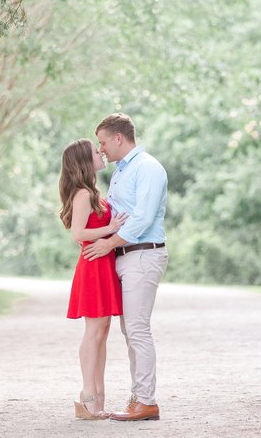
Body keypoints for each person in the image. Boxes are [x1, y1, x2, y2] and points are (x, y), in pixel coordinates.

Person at [83, 113, 168, 422]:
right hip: (125, 256)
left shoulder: (147, 168)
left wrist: (108, 243)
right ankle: (139, 397)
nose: (101, 148)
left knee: (137, 328)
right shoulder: (122, 171)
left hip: (143, 254)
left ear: (119, 138)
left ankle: (146, 401)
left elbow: (143, 218)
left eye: (103, 142)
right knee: (129, 329)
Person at [60, 138, 128, 421]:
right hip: (93, 266)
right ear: (84, 162)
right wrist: (110, 229)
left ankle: (98, 396)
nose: (101, 153)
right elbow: (77, 233)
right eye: (94, 151)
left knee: (102, 331)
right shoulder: (83, 195)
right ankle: (88, 396)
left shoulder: (93, 192)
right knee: (94, 331)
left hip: (103, 264)